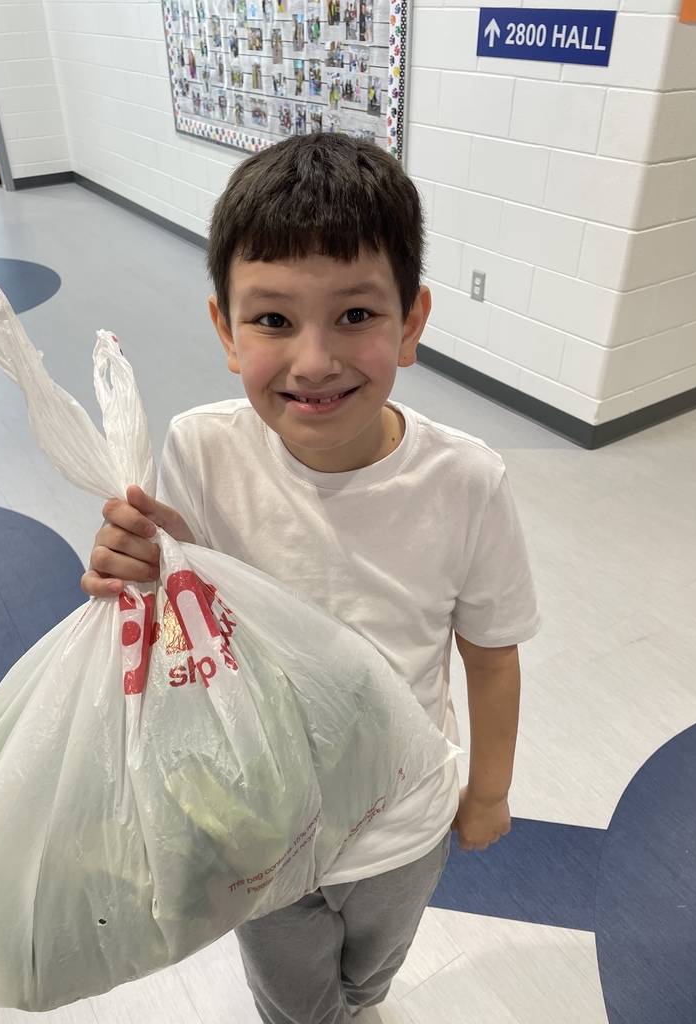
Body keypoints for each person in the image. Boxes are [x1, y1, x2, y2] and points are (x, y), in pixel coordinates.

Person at [82, 133, 540, 1024]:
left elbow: (490, 653)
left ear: (412, 323)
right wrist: (135, 569)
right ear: (224, 328)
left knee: (371, 976)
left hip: (404, 823)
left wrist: (486, 791)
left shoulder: (467, 482)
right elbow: (182, 619)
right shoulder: (203, 448)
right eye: (274, 320)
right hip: (262, 824)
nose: (315, 360)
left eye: (357, 316)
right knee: (293, 1000)